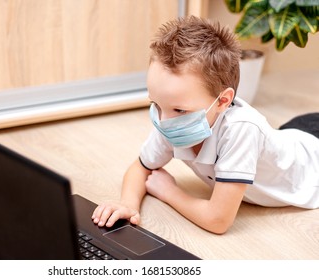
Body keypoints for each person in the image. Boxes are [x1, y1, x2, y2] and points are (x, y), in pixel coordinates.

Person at [92, 16, 319, 234]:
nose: (163, 122)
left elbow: (218, 220)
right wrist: (128, 205)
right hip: (291, 136)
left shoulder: (242, 129)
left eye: (180, 110)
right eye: (156, 105)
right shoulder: (171, 116)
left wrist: (170, 192)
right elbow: (140, 168)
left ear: (222, 101)